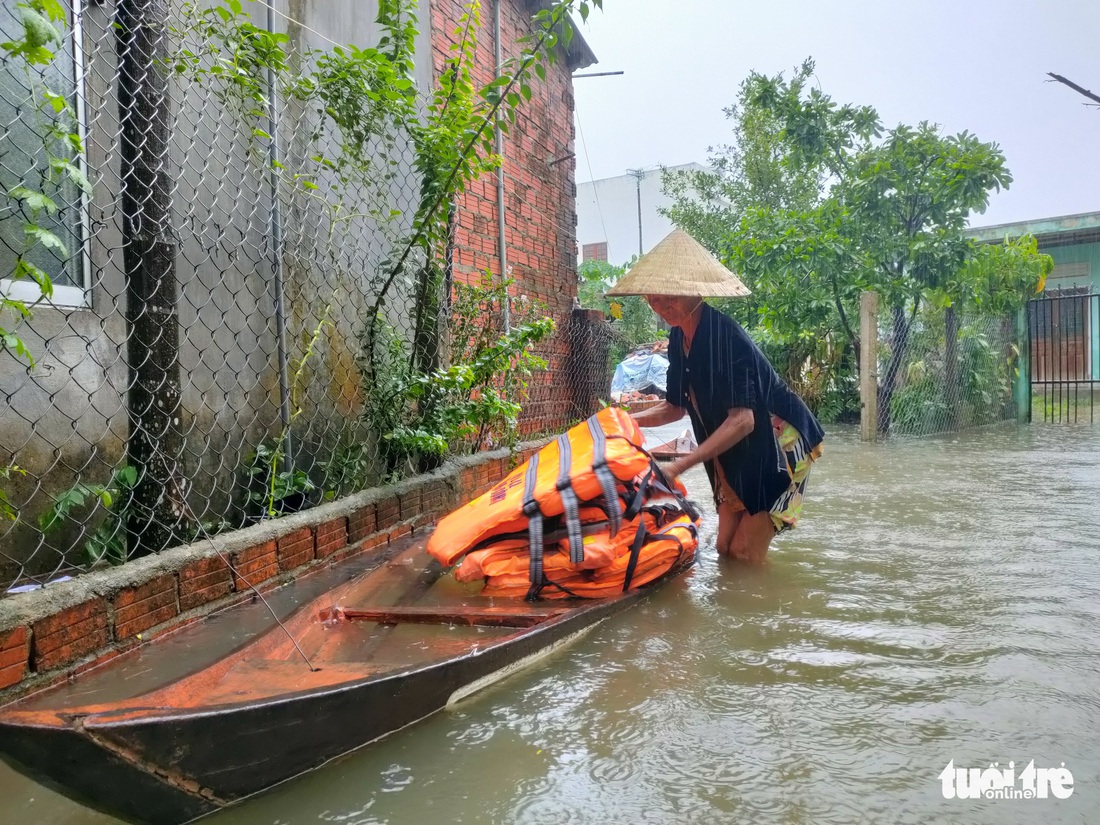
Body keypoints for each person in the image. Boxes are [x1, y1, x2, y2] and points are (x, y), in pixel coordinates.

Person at [607, 229, 825, 563]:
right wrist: (619, 421)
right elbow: (675, 408)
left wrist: (680, 465)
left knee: (744, 550)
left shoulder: (725, 336)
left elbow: (744, 419)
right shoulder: (679, 339)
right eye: (653, 298)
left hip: (779, 441)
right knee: (724, 548)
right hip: (735, 443)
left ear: (694, 292)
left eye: (671, 297)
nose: (662, 306)